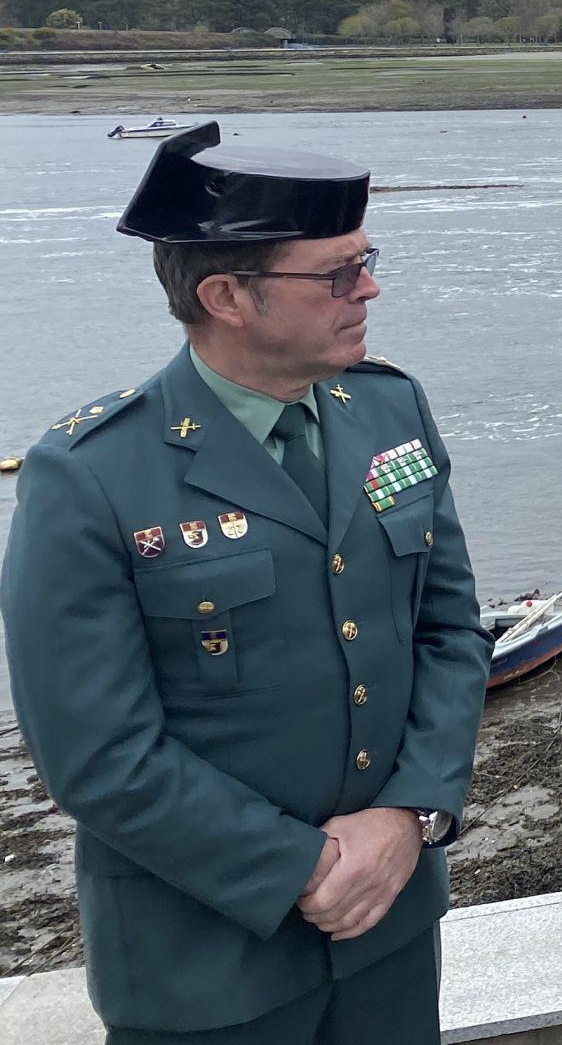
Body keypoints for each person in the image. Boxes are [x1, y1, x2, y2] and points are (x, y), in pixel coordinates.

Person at [1, 121, 488, 1045]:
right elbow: (97, 752)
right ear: (227, 295)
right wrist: (306, 869)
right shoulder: (91, 473)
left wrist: (410, 815)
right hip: (202, 968)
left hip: (389, 933)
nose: (371, 287)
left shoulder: (389, 406)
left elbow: (451, 630)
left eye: (367, 259)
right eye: (338, 273)